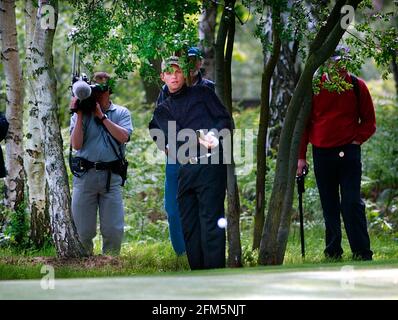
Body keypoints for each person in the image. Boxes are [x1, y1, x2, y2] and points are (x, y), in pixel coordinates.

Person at [149, 56, 232, 269]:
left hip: (211, 165)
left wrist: (213, 134)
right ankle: (199, 274)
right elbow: (176, 137)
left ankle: (214, 275)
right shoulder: (162, 109)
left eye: (178, 72)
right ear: (163, 76)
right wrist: (198, 136)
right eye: (169, 72)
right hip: (185, 167)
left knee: (210, 221)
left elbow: (224, 120)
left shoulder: (204, 93)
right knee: (189, 224)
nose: (174, 76)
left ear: (185, 74)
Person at [297, 46, 376, 261]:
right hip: (321, 152)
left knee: (351, 202)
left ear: (346, 61)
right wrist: (301, 157)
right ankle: (333, 252)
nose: (337, 64)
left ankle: (362, 251)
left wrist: (357, 139)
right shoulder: (315, 86)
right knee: (329, 204)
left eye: (341, 60)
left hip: (348, 151)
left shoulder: (356, 85)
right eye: (333, 60)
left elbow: (369, 121)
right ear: (327, 62)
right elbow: (303, 125)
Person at [156, 47, 215, 256]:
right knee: (173, 209)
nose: (189, 66)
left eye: (193, 61)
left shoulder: (209, 89)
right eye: (185, 62)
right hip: (175, 157)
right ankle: (181, 253)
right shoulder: (167, 89)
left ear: (199, 63)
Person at [70, 71, 133, 255]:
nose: (98, 93)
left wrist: (102, 117)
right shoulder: (82, 113)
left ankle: (110, 262)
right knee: (83, 230)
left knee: (113, 229)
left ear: (109, 91)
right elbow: (76, 144)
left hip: (111, 177)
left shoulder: (121, 112)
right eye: (94, 89)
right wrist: (80, 115)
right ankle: (84, 262)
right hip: (85, 176)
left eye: (102, 89)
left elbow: (124, 137)